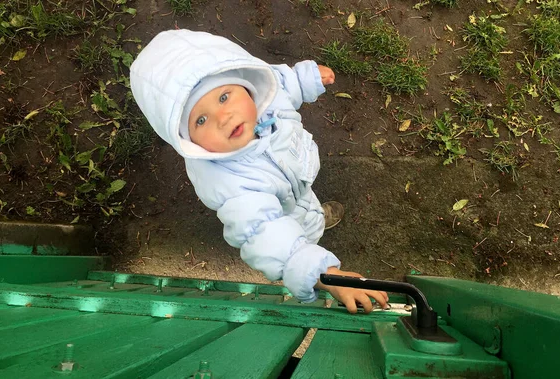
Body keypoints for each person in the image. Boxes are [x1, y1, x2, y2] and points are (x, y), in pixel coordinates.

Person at [130, 30, 388, 313]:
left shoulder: (266, 97)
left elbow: (280, 83)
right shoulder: (230, 184)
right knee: (297, 227)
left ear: (246, 84)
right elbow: (263, 232)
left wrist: (304, 79)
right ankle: (313, 228)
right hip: (279, 207)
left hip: (296, 177)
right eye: (200, 119)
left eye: (224, 96)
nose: (223, 116)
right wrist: (324, 275)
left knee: (305, 201)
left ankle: (314, 214)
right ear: (187, 140)